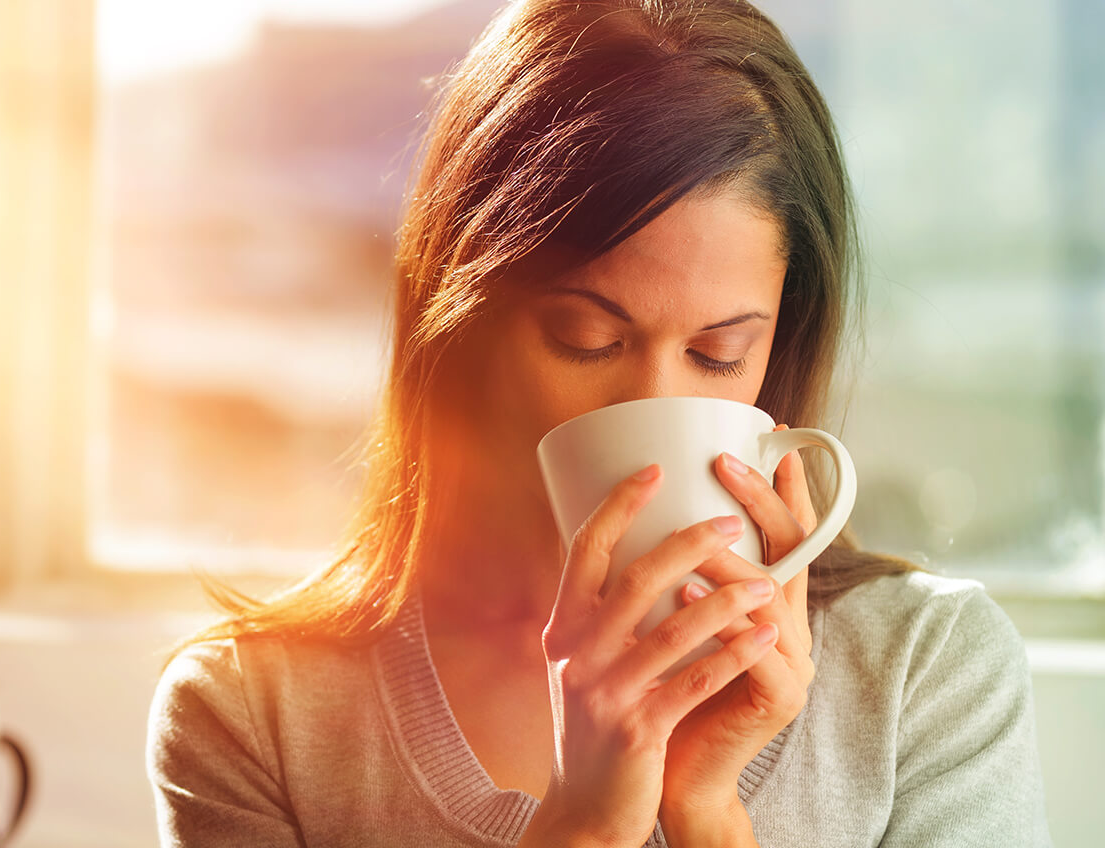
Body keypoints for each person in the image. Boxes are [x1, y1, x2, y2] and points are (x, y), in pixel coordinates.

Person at [145, 0, 1053, 845]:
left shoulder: (926, 676)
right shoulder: (255, 717)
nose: (653, 406)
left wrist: (707, 816)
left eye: (718, 354)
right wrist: (583, 827)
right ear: (467, 328)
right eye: (586, 338)